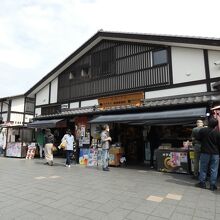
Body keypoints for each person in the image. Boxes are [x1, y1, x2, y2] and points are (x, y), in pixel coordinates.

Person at [195, 117, 220, 191]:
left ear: (208, 123)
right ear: (216, 125)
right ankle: (212, 185)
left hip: (205, 152)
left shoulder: (202, 130)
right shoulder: (218, 133)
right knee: (214, 169)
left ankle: (202, 183)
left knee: (203, 168)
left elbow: (198, 139)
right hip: (215, 153)